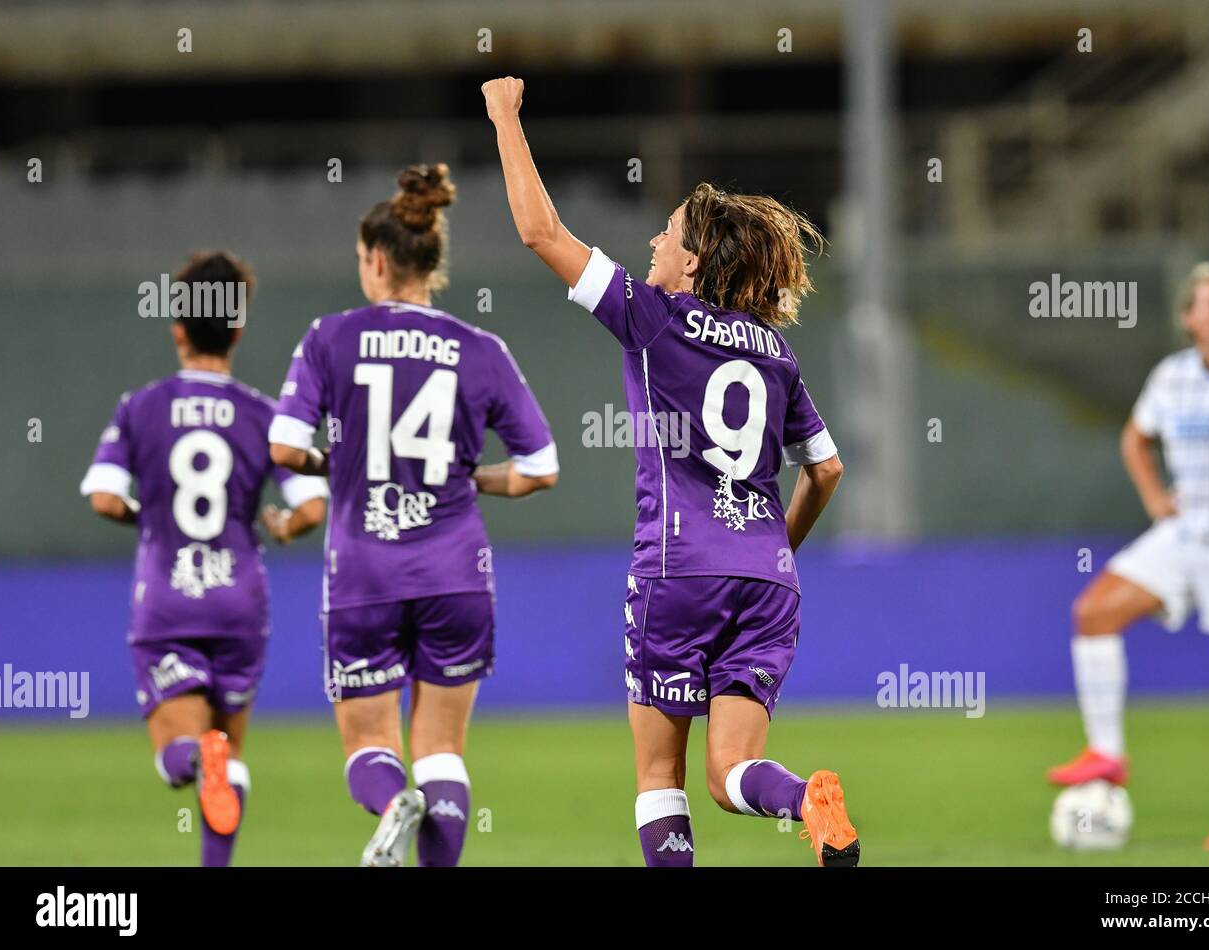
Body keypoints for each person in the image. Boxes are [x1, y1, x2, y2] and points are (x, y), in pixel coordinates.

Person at [482, 76, 856, 867]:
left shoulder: (652, 318)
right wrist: (774, 545)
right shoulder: (777, 354)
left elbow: (540, 232)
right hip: (767, 582)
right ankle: (800, 798)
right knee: (734, 775)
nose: (653, 243)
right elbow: (825, 470)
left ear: (693, 265)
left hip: (675, 572)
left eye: (667, 234)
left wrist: (505, 118)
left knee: (662, 774)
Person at [269, 162, 559, 866]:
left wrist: (329, 465)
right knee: (444, 753)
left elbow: (283, 447)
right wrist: (473, 478)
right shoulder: (481, 350)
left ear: (374, 260)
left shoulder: (329, 337)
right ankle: (422, 809)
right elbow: (542, 469)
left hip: (364, 570)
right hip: (456, 570)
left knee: (372, 744)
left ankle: (388, 798)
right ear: (432, 264)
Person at [80, 250, 328, 866]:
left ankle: (197, 758)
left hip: (167, 599)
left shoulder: (139, 408)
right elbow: (314, 506)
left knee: (179, 759)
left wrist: (151, 517)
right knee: (231, 755)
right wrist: (282, 525)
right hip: (239, 601)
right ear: (238, 329)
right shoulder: (263, 414)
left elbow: (105, 497)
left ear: (177, 326)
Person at [1049, 263, 1209, 850]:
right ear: (1188, 317)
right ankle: (1107, 752)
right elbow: (1135, 436)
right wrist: (1156, 500)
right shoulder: (1171, 375)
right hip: (1182, 534)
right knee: (1094, 613)